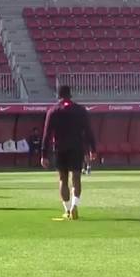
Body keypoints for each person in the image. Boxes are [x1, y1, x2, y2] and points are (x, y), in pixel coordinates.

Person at [41, 85, 97, 220]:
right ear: (70, 95)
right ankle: (74, 205)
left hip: (60, 148)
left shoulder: (53, 111)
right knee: (76, 177)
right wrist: (93, 149)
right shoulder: (80, 110)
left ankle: (66, 209)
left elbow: (47, 134)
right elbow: (88, 130)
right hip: (77, 147)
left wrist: (44, 154)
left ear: (58, 95)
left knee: (63, 179)